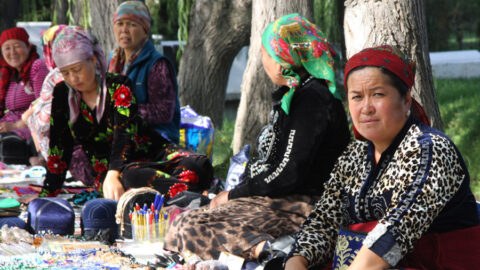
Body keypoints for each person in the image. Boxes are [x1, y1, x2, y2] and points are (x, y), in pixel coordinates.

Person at [165, 14, 351, 261]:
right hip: (279, 199)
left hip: (303, 206)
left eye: (265, 53)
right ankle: (263, 251)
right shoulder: (296, 94)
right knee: (183, 219)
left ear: (283, 57)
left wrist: (233, 195)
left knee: (187, 227)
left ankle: (271, 253)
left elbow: (287, 173)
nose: (263, 60)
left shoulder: (311, 100)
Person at [284, 45, 480, 270]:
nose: (366, 108)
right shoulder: (354, 155)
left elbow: (396, 233)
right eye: (356, 97)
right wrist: (296, 261)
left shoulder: (432, 149)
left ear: (406, 99)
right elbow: (323, 222)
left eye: (377, 94)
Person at [41, 27, 213, 200]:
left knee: (198, 164)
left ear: (93, 60)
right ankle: (192, 196)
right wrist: (46, 196)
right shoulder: (62, 94)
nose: (73, 78)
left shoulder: (119, 86)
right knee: (134, 177)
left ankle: (180, 194)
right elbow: (59, 148)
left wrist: (113, 172)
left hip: (148, 153)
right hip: (113, 171)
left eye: (77, 69)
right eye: (65, 73)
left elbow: (124, 134)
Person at [108, 1, 180, 144]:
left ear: (145, 30)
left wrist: (122, 111)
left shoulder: (157, 65)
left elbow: (163, 112)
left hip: (156, 137)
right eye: (120, 23)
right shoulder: (113, 60)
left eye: (132, 24)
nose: (124, 30)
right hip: (123, 132)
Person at [0, 27, 49, 163]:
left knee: (8, 145)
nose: (12, 53)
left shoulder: (37, 67)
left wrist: (16, 125)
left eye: (17, 46)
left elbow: (44, 104)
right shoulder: (8, 74)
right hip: (10, 127)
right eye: (7, 48)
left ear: (28, 47)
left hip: (32, 129)